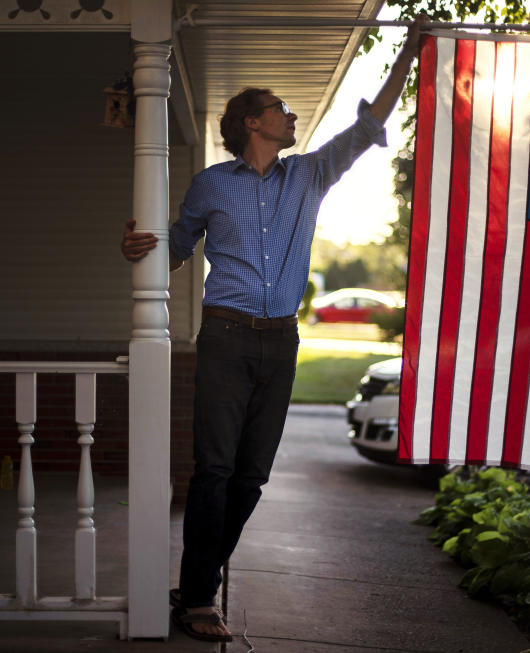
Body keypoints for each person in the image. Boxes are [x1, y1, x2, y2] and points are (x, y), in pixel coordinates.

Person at [121, 17, 427, 643]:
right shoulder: (211, 185)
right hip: (227, 337)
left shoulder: (310, 175)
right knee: (213, 469)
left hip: (281, 340)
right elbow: (174, 248)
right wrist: (136, 248)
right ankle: (201, 595)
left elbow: (368, 126)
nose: (291, 116)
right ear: (252, 124)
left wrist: (411, 50)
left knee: (251, 474)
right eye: (280, 110)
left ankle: (196, 577)